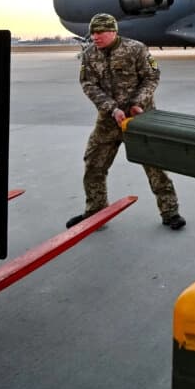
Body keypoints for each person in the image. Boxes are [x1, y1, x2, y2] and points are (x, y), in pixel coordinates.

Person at [66, 13, 186, 230]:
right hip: (108, 121)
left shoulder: (136, 49)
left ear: (113, 31)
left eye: (100, 32)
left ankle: (170, 212)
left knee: (155, 167)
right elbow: (88, 85)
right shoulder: (90, 54)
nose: (95, 37)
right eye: (93, 32)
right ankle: (96, 212)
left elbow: (152, 76)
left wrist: (137, 104)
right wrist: (111, 109)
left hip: (140, 118)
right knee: (94, 164)